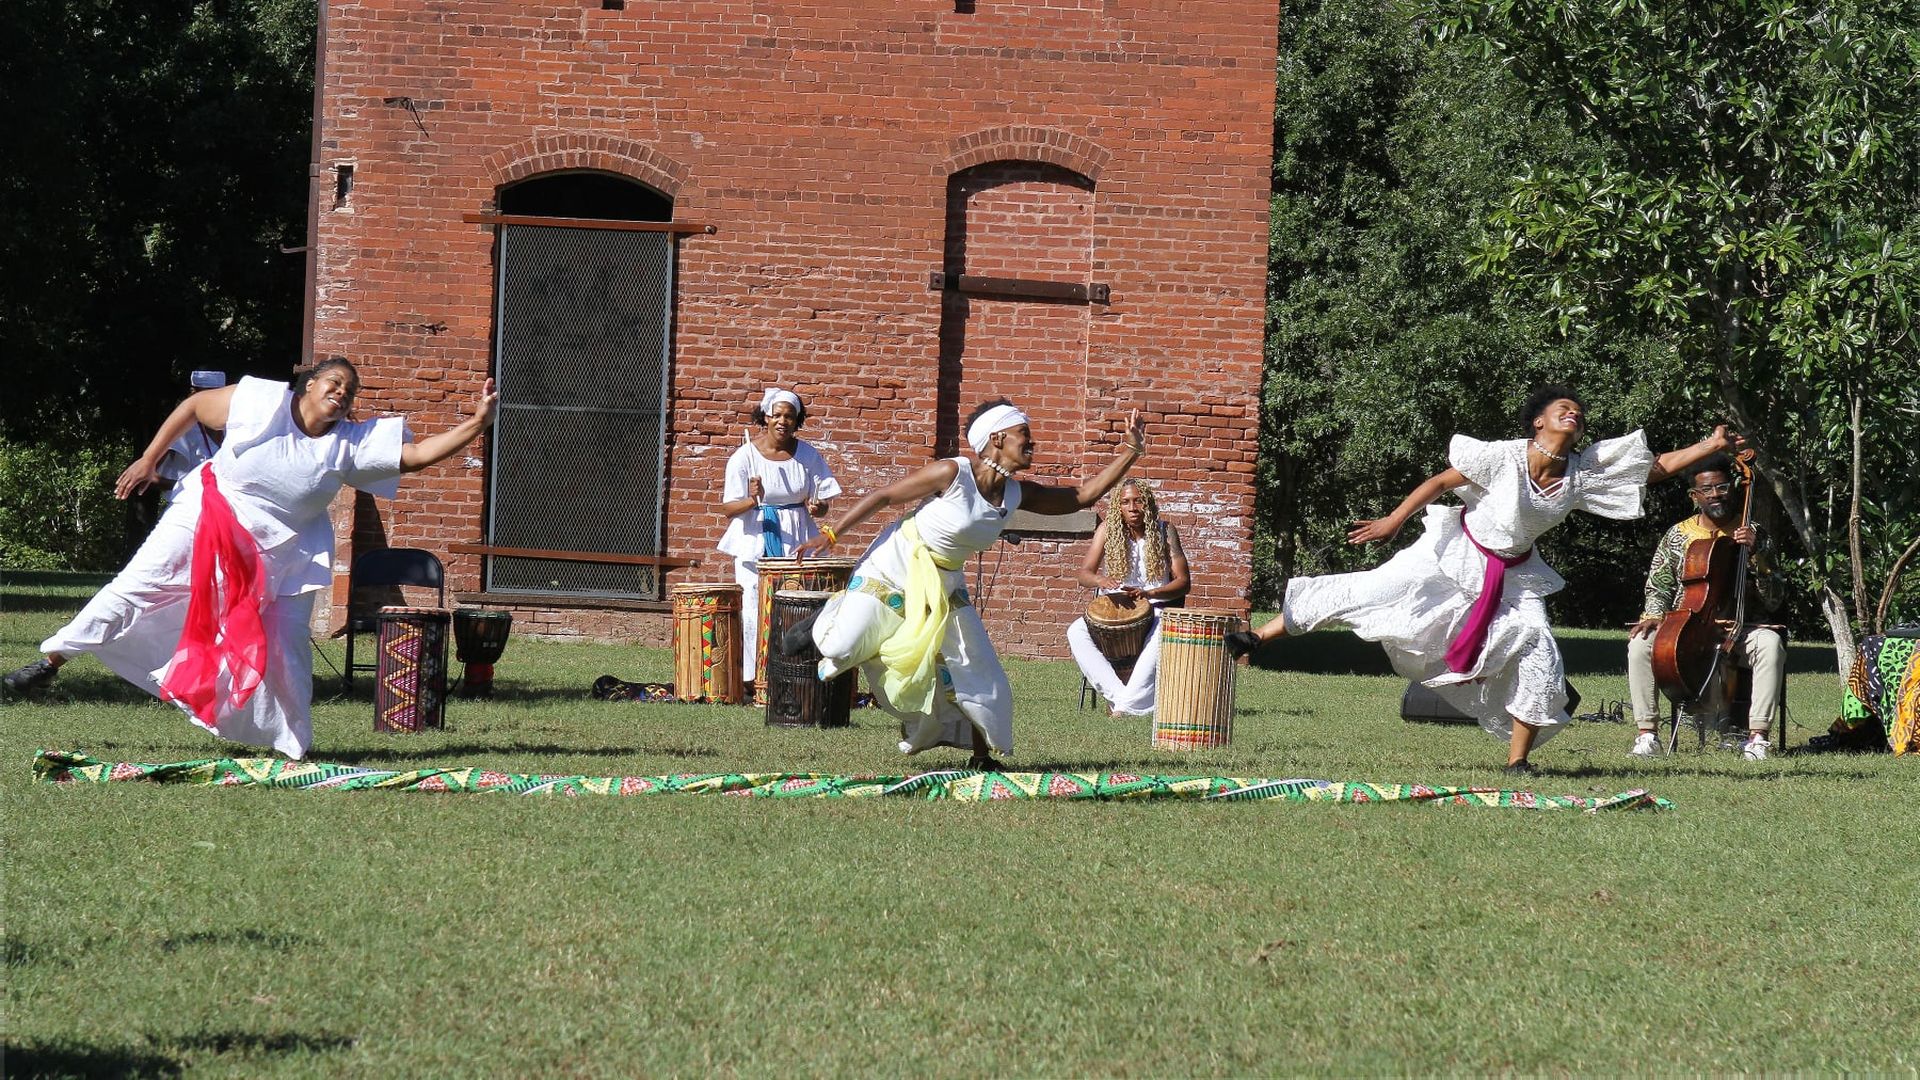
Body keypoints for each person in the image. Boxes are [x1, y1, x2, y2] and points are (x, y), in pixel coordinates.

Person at [1224, 387, 1741, 776]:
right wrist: (1392, 521)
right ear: (1538, 421)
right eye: (1561, 407)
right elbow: (1443, 481)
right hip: (1451, 553)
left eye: (1578, 410)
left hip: (1515, 575)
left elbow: (1653, 468)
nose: (1573, 412)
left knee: (1540, 651)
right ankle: (1256, 638)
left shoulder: (1582, 470)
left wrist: (1710, 444)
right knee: (1369, 592)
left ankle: (1518, 762)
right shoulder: (1503, 456)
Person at [1, 358, 498, 760]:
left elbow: (415, 457)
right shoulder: (261, 402)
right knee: (140, 586)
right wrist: (150, 459)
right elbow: (195, 405)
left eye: (350, 388)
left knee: (287, 647)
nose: (342, 391)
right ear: (307, 385)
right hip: (209, 513)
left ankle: (293, 747)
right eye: (334, 380)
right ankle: (52, 659)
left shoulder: (351, 443)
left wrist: (476, 422)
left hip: (286, 550)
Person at [791, 399, 1146, 768]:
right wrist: (830, 535)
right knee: (842, 647)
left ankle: (981, 756)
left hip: (944, 580)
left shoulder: (1016, 493)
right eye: (1024, 433)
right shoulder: (953, 473)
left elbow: (1080, 497)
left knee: (975, 665)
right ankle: (827, 614)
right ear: (997, 437)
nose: (1032, 442)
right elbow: (884, 496)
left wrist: (1131, 451)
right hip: (896, 562)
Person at [1625, 455, 1787, 760]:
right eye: (1708, 490)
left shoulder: (1754, 534)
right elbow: (1659, 586)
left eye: (1723, 487)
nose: (1716, 495)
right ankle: (1647, 735)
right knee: (1639, 644)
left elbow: (1775, 598)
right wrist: (1653, 616)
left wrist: (1759, 556)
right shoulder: (1677, 536)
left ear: (1734, 488)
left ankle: (1757, 738)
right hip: (1687, 626)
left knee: (1771, 645)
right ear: (1694, 496)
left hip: (1742, 627)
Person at [713, 388, 840, 688]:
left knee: (796, 603)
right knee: (755, 605)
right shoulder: (744, 457)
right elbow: (729, 508)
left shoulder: (808, 455)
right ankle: (753, 677)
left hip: (796, 534)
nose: (783, 421)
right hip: (756, 537)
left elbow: (822, 504)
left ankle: (793, 670)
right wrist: (752, 499)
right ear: (766, 417)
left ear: (797, 421)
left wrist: (818, 507)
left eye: (790, 416)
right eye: (778, 415)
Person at [1066, 479, 1190, 716]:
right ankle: (1124, 701)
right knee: (1075, 632)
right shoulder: (1107, 531)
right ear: (1118, 506)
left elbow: (1184, 582)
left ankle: (1122, 708)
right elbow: (1084, 574)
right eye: (1126, 502)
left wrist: (1149, 592)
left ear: (1148, 504)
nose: (1133, 507)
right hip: (1114, 610)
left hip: (1155, 609)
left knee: (1162, 634)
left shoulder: (1166, 531)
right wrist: (1101, 580)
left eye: (1138, 500)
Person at [153, 370, 229, 503]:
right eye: (207, 395)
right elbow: (150, 476)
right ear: (193, 394)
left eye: (218, 395)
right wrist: (192, 486)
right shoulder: (182, 430)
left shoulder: (232, 426)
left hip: (228, 509)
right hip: (191, 510)